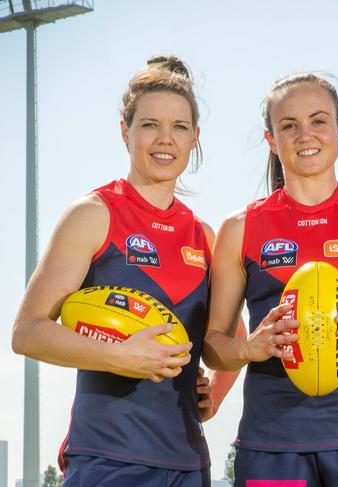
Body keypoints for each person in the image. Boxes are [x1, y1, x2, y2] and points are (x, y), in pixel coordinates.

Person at [12, 56, 239, 486]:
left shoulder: (203, 237)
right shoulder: (93, 215)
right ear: (125, 131)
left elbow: (231, 337)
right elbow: (27, 331)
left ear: (195, 138)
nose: (164, 139)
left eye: (179, 127)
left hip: (189, 464)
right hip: (107, 459)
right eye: (150, 124)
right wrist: (119, 356)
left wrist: (215, 396)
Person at [203, 72, 338, 486]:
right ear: (272, 139)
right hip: (273, 440)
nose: (305, 134)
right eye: (288, 125)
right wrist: (250, 348)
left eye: (318, 120)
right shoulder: (240, 228)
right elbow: (215, 347)